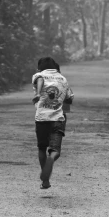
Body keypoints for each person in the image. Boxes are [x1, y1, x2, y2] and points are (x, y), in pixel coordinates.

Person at [32, 57, 74, 189]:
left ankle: (45, 181)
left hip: (42, 119)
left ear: (40, 68)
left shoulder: (39, 75)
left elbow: (39, 79)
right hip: (57, 119)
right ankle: (52, 158)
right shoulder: (63, 79)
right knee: (55, 150)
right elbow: (70, 98)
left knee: (41, 148)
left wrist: (38, 93)